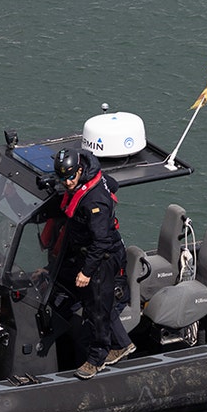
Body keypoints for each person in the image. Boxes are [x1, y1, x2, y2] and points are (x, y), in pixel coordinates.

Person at [53, 148, 136, 380]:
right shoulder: (86, 178)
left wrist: (87, 272)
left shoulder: (94, 201)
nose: (67, 182)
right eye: (62, 178)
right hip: (85, 251)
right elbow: (113, 184)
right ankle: (123, 343)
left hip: (102, 258)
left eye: (70, 177)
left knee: (98, 308)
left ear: (80, 171)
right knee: (97, 304)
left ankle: (97, 358)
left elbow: (102, 241)